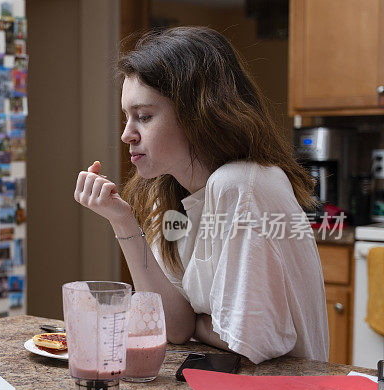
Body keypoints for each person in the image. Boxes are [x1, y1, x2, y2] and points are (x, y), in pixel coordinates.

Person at [73, 26, 329, 364]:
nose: (126, 135)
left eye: (144, 116)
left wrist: (198, 323)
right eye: (127, 117)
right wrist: (121, 220)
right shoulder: (168, 196)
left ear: (198, 113)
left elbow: (247, 344)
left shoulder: (241, 185)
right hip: (225, 387)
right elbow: (173, 325)